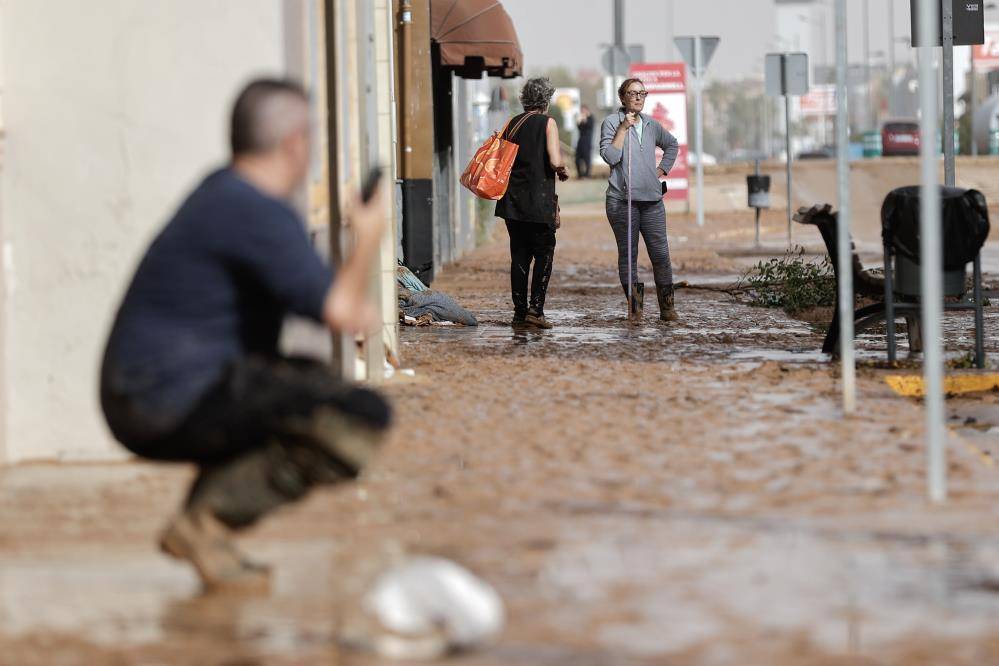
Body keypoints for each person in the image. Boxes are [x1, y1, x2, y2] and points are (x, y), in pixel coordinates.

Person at [100, 79, 391, 591]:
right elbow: (347, 313)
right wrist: (368, 238)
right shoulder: (254, 209)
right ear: (294, 143)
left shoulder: (226, 194)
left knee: (305, 384)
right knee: (353, 415)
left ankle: (207, 537)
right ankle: (204, 523)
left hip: (150, 392)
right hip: (164, 399)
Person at [599, 78, 680, 323]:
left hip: (652, 201)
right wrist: (623, 128)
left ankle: (667, 309)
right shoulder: (612, 123)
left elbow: (672, 145)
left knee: (661, 254)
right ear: (622, 97)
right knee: (629, 255)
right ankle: (636, 310)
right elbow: (610, 157)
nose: (638, 97)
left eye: (642, 93)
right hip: (622, 201)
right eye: (632, 93)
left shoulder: (652, 125)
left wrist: (661, 171)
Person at [494, 77, 569, 330]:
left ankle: (519, 313)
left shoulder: (512, 124)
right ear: (546, 100)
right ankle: (536, 310)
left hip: (512, 202)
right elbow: (555, 160)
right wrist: (563, 169)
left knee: (519, 256)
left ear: (524, 99)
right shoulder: (548, 123)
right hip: (539, 201)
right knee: (544, 254)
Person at [575, 105, 595, 179]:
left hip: (587, 142)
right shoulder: (582, 119)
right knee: (577, 159)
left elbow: (589, 125)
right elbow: (579, 128)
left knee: (587, 159)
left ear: (586, 110)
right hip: (580, 141)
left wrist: (584, 119)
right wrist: (579, 122)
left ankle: (587, 175)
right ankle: (580, 175)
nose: (582, 112)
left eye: (583, 111)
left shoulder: (591, 118)